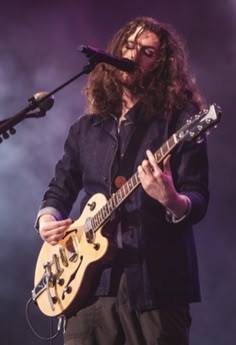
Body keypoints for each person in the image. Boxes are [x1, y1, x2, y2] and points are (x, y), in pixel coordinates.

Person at [36, 16, 209, 345]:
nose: (132, 55)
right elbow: (59, 189)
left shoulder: (181, 120)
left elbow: (198, 197)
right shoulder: (86, 129)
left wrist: (171, 199)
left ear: (161, 64)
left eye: (146, 51)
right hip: (88, 290)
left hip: (156, 288)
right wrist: (48, 218)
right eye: (128, 46)